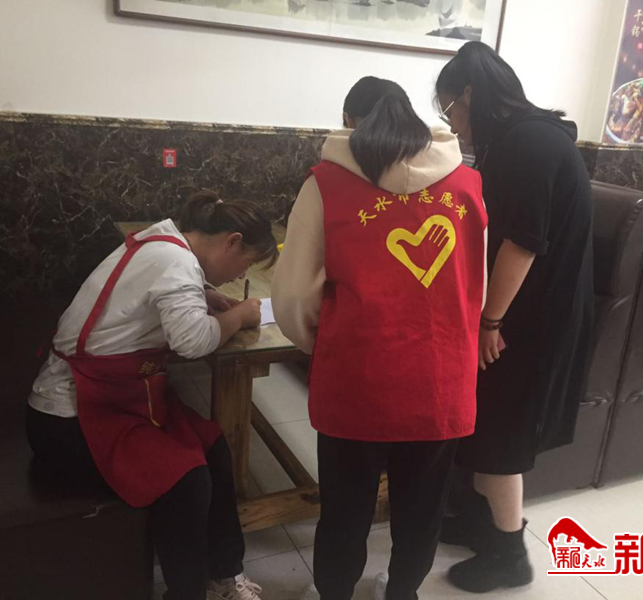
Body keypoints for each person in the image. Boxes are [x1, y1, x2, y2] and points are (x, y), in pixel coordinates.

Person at [272, 76, 487, 600]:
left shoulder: (325, 183)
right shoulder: (466, 185)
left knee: (345, 510)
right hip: (441, 381)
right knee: (422, 509)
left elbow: (294, 296)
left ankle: (335, 593)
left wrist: (322, 345)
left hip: (356, 378)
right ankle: (403, 591)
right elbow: (473, 289)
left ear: (349, 122)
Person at [27, 193, 277, 600]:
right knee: (187, 481)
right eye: (246, 263)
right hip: (66, 419)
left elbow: (157, 294)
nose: (241, 274)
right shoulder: (176, 262)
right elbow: (194, 341)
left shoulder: (164, 241)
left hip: (121, 396)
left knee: (213, 445)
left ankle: (223, 575)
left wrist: (203, 292)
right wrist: (240, 315)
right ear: (231, 242)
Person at [434, 41, 595, 593]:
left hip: (533, 317)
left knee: (501, 430)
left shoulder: (529, 144)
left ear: (470, 94)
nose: (452, 123)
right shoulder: (520, 138)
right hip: (522, 310)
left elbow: (522, 244)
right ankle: (479, 522)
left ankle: (509, 553)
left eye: (449, 109)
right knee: (484, 419)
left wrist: (490, 322)